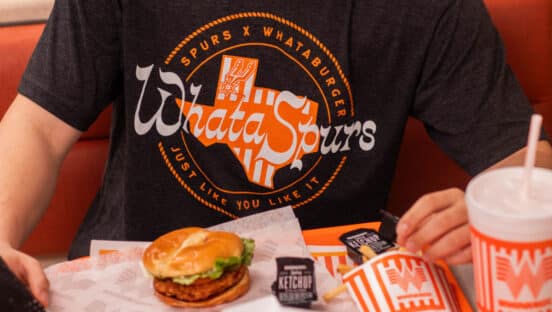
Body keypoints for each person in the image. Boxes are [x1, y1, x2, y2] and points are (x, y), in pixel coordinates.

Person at [1, 0, 551, 307]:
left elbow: (526, 162)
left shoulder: (433, 10)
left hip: (324, 288)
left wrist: (493, 209)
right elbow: (38, 127)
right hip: (132, 282)